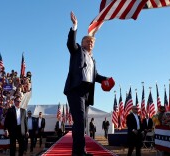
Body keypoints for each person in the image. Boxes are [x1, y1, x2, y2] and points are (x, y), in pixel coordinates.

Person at [63, 11, 113, 156]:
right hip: (75, 90)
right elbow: (70, 44)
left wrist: (106, 79)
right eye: (87, 41)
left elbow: (95, 76)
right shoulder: (77, 51)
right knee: (79, 121)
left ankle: (79, 151)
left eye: (92, 42)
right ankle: (79, 153)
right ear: (83, 43)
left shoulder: (93, 60)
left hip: (87, 93)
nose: (90, 43)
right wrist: (75, 26)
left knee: (82, 123)